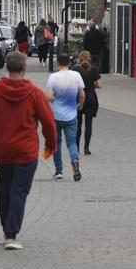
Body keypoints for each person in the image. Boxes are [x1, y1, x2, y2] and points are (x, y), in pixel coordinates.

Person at [0, 52, 56, 250]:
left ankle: (6, 228)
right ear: (24, 68)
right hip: (26, 151)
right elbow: (48, 123)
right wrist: (50, 146)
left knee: (6, 190)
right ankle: (11, 234)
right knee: (19, 191)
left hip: (2, 151)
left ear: (7, 67)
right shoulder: (34, 93)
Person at [47, 53, 85, 181]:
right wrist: (80, 105)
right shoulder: (76, 75)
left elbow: (49, 96)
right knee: (71, 142)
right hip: (71, 114)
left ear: (57, 63)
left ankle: (59, 171)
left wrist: (52, 98)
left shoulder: (53, 77)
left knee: (56, 143)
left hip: (56, 116)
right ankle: (74, 160)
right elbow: (82, 95)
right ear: (69, 63)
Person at [72, 51, 101, 155]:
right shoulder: (93, 69)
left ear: (79, 58)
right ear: (89, 58)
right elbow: (99, 85)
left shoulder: (75, 69)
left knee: (78, 124)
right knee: (88, 124)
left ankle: (76, 147)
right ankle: (86, 148)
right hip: (91, 99)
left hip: (77, 98)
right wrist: (92, 84)